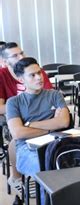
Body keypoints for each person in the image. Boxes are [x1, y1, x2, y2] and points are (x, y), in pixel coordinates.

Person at [6, 57, 70, 199]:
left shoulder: (54, 95)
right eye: (32, 75)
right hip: (26, 148)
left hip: (56, 141)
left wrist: (29, 125)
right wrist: (52, 124)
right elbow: (17, 133)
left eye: (39, 72)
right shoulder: (13, 102)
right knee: (45, 166)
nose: (39, 77)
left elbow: (64, 122)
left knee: (76, 160)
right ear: (21, 79)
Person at [0, 42, 53, 192]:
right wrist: (19, 110)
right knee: (17, 139)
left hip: (41, 116)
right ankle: (15, 177)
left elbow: (49, 97)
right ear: (4, 61)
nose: (21, 57)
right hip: (15, 118)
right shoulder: (2, 75)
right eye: (15, 55)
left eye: (22, 53)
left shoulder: (36, 71)